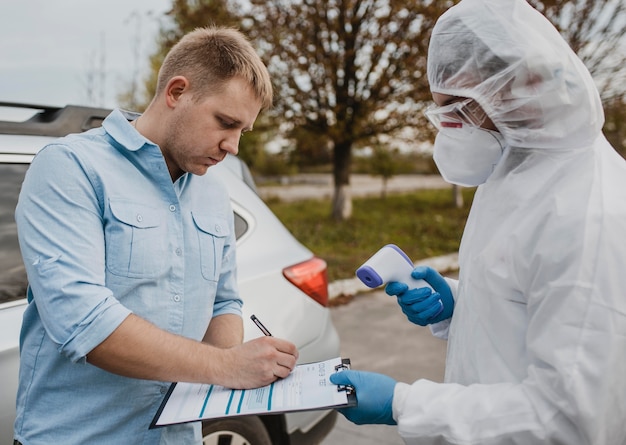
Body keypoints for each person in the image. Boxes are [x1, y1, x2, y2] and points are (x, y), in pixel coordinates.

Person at [330, 0, 626, 443]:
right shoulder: (515, 171)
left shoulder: (590, 213)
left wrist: (403, 405)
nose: (448, 127)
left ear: (518, 84)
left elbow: (570, 420)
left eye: (457, 108)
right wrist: (458, 306)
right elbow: (525, 306)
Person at [13, 27, 298, 445]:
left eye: (243, 131)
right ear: (177, 92)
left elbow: (224, 300)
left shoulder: (214, 193)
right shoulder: (70, 168)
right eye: (226, 122)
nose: (233, 146)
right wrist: (227, 367)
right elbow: (86, 323)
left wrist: (238, 366)